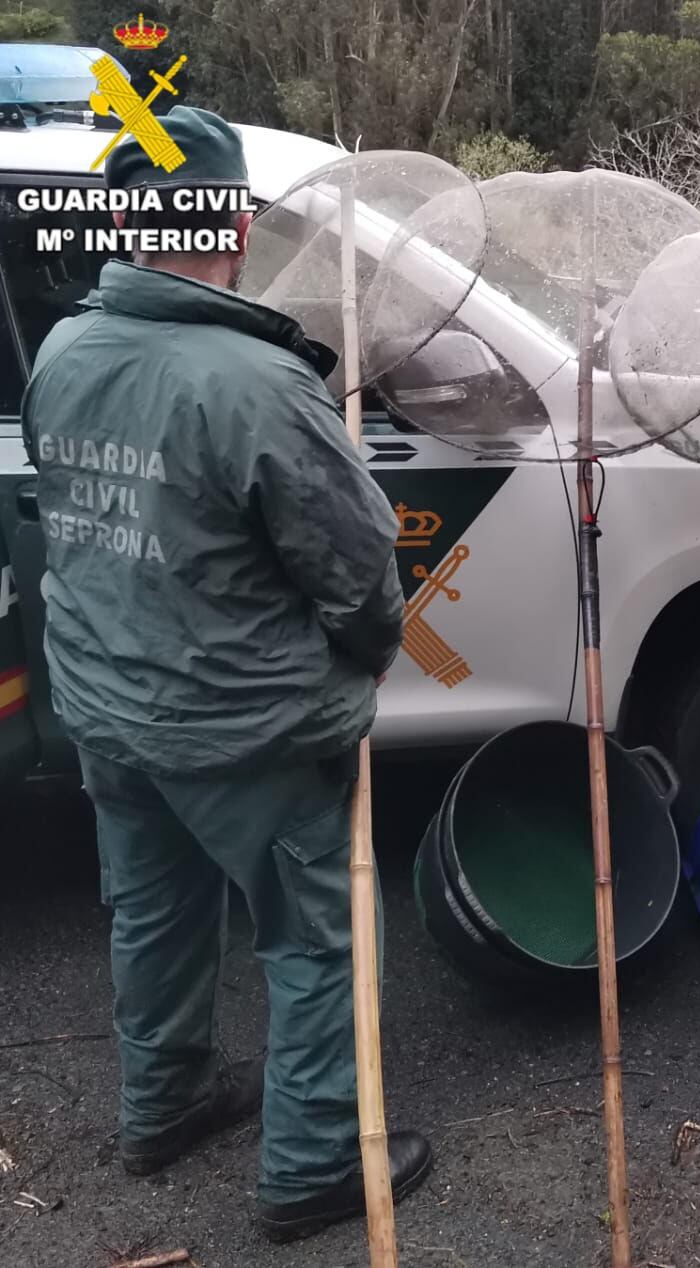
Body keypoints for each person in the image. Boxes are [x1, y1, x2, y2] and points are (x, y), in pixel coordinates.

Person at [19, 106, 432, 1243]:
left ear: (116, 214)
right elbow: (357, 573)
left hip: (106, 706)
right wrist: (360, 661)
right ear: (236, 221)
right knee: (316, 938)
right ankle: (311, 1165)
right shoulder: (255, 384)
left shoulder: (64, 348)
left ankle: (163, 1102)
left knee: (151, 913)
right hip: (243, 729)